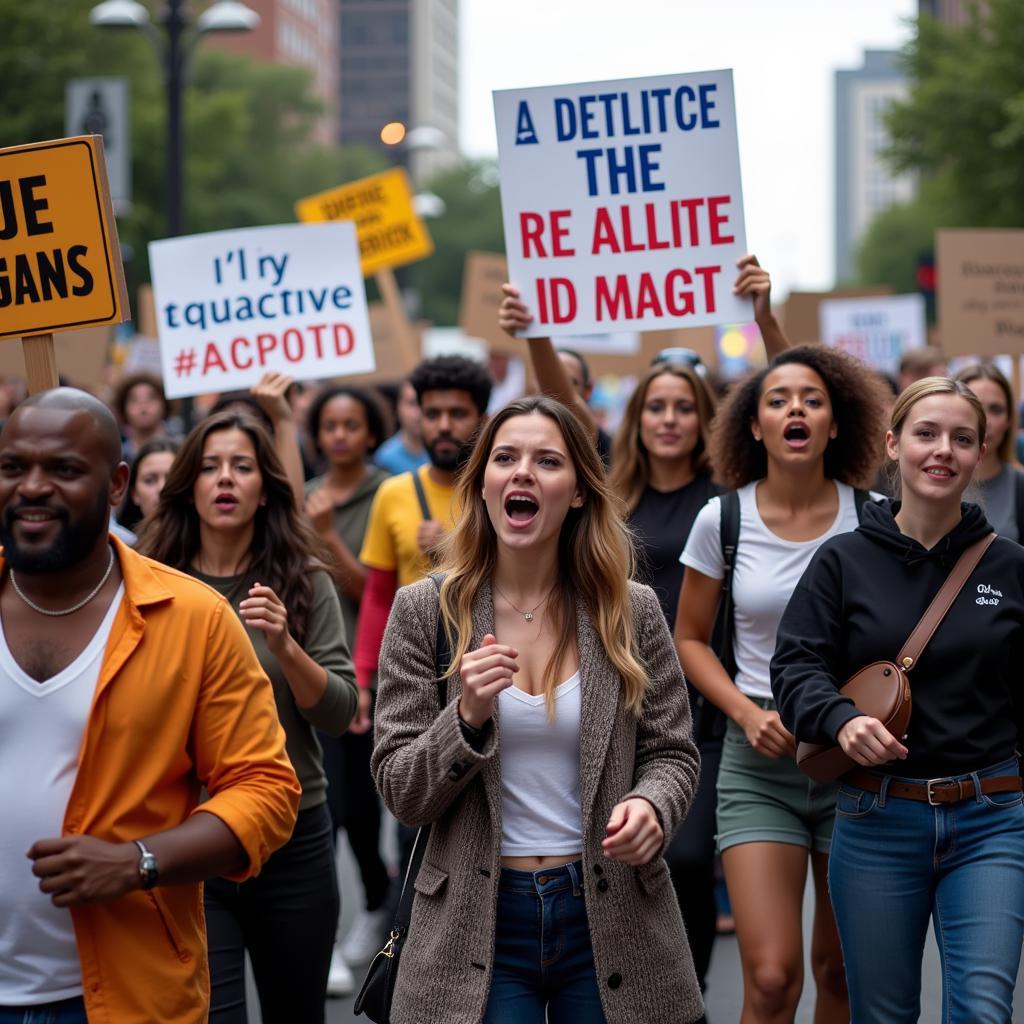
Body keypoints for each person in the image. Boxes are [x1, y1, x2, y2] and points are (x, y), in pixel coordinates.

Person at [371, 395, 703, 1024]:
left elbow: (672, 754)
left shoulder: (629, 610)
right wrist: (463, 718)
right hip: (477, 918)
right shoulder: (425, 611)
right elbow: (400, 790)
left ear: (577, 491)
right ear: (484, 485)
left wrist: (652, 805)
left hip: (610, 913)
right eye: (505, 458)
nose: (522, 472)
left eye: (547, 461)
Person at [0, 389, 300, 1024]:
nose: (31, 487)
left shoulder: (192, 619)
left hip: (124, 999)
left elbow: (265, 788)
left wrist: (137, 862)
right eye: (11, 467)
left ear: (116, 486)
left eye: (63, 469)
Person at [771, 376, 1024, 1024]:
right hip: (877, 818)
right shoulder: (843, 560)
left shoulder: (1009, 566)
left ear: (980, 451)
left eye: (961, 438)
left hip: (991, 818)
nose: (943, 450)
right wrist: (842, 720)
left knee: (985, 1012)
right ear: (893, 444)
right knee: (882, 1016)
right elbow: (796, 666)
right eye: (927, 434)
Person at [674, 346, 889, 1024]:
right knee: (770, 978)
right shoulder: (722, 520)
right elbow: (688, 639)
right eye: (777, 399)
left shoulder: (879, 518)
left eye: (812, 399)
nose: (795, 407)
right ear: (755, 427)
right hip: (758, 757)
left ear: (836, 424)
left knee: (840, 970)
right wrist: (743, 712)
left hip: (854, 759)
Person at [136, 411, 357, 1024]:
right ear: (188, 485)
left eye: (242, 466)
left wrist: (286, 645)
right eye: (209, 467)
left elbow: (340, 713)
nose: (224, 480)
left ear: (266, 487)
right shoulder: (149, 581)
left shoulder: (305, 579)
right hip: (192, 834)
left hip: (294, 836)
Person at [303, 386, 392, 992]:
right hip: (309, 672)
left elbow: (372, 593)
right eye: (329, 424)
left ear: (369, 433)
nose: (338, 435)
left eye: (350, 424)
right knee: (326, 810)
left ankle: (378, 900)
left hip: (370, 674)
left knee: (362, 811)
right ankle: (327, 934)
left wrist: (329, 535)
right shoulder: (304, 494)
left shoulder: (385, 492)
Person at [353, 355, 492, 694]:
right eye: (432, 414)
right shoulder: (392, 493)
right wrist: (361, 676)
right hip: (413, 665)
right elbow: (378, 594)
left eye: (457, 414)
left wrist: (452, 545)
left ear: (484, 420)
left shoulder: (500, 491)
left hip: (488, 662)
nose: (443, 426)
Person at [954, 362, 1024, 541]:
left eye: (996, 409)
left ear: (1009, 420)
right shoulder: (927, 480)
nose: (986, 421)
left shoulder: (1019, 484)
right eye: (974, 406)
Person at [116, 438, 180, 532]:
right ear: (135, 494)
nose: (161, 488)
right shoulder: (120, 544)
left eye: (171, 479)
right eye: (149, 480)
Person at [112, 371, 171, 464]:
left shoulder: (180, 449)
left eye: (151, 398)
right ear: (123, 408)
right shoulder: (116, 456)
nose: (143, 406)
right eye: (134, 400)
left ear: (165, 404)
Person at [373, 379, 429, 477]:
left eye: (425, 403)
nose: (419, 412)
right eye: (412, 403)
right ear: (398, 407)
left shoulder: (444, 450)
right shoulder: (385, 458)